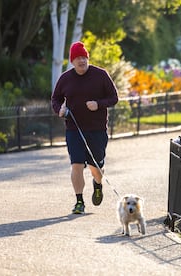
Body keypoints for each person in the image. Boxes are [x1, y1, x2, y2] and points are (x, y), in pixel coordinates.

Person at [51, 41, 119, 214]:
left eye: (84, 57)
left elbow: (113, 97)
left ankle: (98, 183)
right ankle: (79, 201)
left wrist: (98, 104)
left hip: (97, 130)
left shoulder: (101, 75)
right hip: (74, 129)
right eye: (78, 58)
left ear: (88, 58)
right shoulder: (65, 79)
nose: (81, 61)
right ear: (72, 61)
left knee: (96, 168)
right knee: (76, 165)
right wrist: (60, 110)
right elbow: (55, 99)